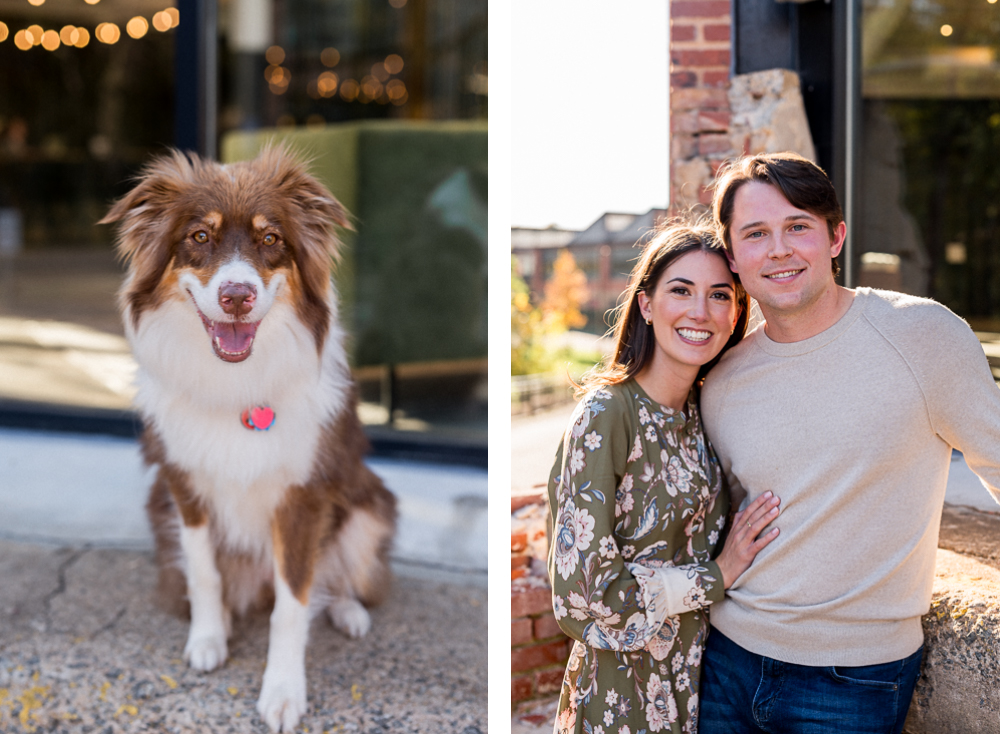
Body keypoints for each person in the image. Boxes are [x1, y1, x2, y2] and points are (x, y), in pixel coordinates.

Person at [698, 152, 1000, 734]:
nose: (779, 249)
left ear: (836, 237)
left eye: (799, 227)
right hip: (727, 658)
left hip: (853, 678)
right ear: (734, 257)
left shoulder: (923, 335)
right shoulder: (723, 379)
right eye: (756, 234)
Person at [547, 222, 782, 734]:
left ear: (736, 312)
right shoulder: (607, 413)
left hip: (696, 688)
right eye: (681, 290)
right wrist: (717, 574)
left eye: (719, 295)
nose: (701, 311)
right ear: (647, 304)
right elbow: (580, 594)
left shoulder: (707, 410)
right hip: (618, 695)